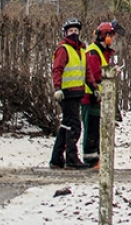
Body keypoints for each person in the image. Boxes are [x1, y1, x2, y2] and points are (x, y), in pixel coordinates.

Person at [49, 17, 92, 170]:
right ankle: (71, 159)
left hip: (77, 92)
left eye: (76, 31)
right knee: (74, 125)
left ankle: (56, 158)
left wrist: (93, 87)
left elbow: (86, 71)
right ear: (65, 33)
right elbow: (57, 69)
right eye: (71, 31)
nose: (74, 33)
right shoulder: (63, 49)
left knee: (66, 125)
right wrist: (57, 88)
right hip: (67, 93)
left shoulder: (81, 50)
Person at [81, 21, 119, 168]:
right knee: (91, 129)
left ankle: (96, 158)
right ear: (106, 37)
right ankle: (90, 159)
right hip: (90, 97)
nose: (113, 40)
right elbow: (95, 74)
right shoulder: (93, 52)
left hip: (97, 97)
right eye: (112, 36)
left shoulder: (100, 52)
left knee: (96, 129)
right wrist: (110, 72)